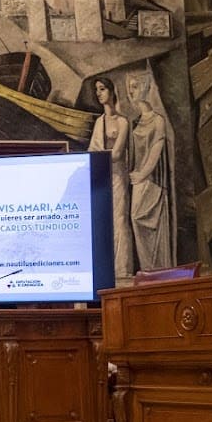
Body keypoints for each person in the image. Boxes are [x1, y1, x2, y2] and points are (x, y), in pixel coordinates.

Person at [125, 72, 175, 271]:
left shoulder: (158, 120)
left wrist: (142, 174)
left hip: (153, 180)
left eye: (135, 86)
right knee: (135, 219)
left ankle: (159, 269)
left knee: (145, 219)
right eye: (129, 87)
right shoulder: (134, 122)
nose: (131, 91)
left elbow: (156, 149)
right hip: (137, 181)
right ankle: (147, 268)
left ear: (145, 87)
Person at [87, 75, 134, 277]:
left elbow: (117, 154)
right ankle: (107, 269)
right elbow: (92, 148)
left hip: (117, 177)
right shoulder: (99, 122)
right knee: (103, 221)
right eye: (96, 89)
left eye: (102, 89)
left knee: (120, 220)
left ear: (112, 91)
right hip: (102, 176)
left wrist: (99, 155)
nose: (98, 93)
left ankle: (122, 269)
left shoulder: (123, 122)